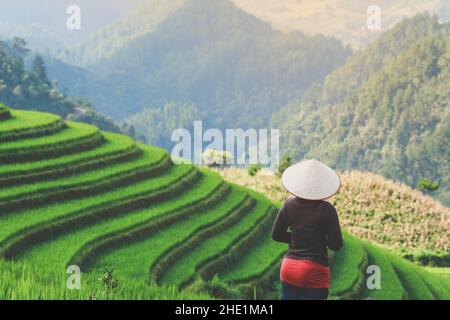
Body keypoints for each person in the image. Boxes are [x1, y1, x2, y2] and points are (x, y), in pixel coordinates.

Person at [272, 159, 343, 300]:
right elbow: (336, 245)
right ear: (321, 186)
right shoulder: (327, 210)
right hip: (313, 270)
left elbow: (276, 234)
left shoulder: (288, 205)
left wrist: (297, 237)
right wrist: (321, 239)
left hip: (289, 267)